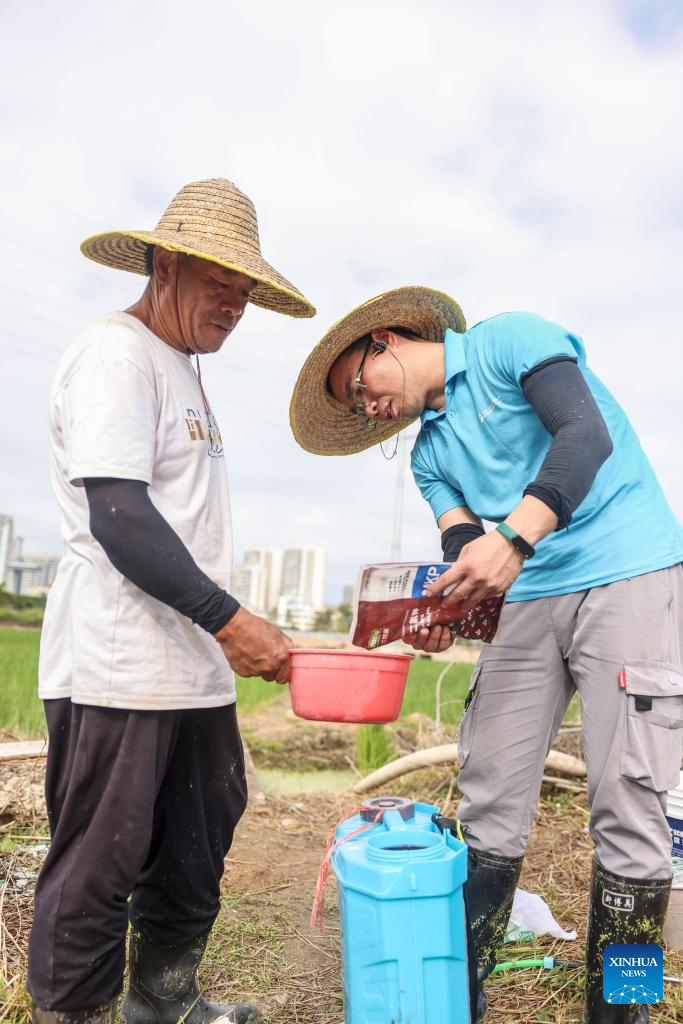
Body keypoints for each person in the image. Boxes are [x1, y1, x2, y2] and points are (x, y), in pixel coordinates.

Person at [289, 286, 683, 1023]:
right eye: (350, 408)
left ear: (386, 340)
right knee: (490, 794)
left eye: (357, 387)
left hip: (627, 568)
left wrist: (515, 539)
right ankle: (454, 999)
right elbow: (462, 548)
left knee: (630, 809)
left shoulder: (511, 340)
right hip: (527, 593)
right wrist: (449, 608)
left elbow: (582, 436)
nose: (363, 407)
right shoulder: (429, 458)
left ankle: (623, 1009)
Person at [28, 178, 315, 1024]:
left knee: (199, 835)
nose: (234, 303)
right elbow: (118, 516)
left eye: (245, 290)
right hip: (120, 660)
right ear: (162, 265)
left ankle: (164, 998)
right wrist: (231, 620)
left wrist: (227, 625)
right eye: (218, 281)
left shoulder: (182, 365)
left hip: (190, 660)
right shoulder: (115, 352)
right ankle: (75, 1014)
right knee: (99, 862)